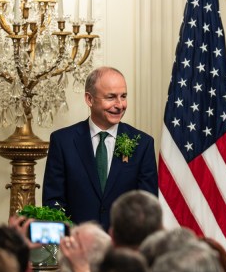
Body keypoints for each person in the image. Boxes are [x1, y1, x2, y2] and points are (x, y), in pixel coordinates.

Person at [42, 66, 157, 229]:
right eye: (111, 97)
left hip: (123, 247)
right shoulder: (63, 141)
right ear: (89, 99)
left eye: (123, 96)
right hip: (76, 245)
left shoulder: (142, 143)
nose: (120, 105)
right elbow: (53, 202)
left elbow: (148, 206)